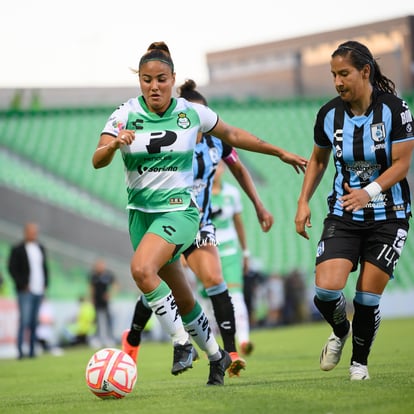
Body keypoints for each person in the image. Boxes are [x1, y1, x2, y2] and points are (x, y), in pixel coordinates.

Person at [93, 42, 307, 385]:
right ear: (140, 82)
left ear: (172, 79)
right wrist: (115, 144)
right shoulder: (124, 113)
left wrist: (278, 152)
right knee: (181, 292)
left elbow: (234, 135)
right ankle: (217, 355)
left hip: (180, 212)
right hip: (140, 215)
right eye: (147, 79)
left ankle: (181, 344)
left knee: (142, 270)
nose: (154, 86)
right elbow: (97, 158)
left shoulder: (192, 113)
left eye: (161, 79)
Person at [294, 40, 414, 380]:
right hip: (345, 215)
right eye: (333, 75)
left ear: (365, 71)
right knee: (326, 290)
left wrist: (369, 191)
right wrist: (303, 201)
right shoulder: (329, 113)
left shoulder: (395, 109)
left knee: (366, 298)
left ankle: (359, 364)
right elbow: (317, 160)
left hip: (389, 218)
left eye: (344, 73)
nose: (338, 82)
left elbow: (402, 163)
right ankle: (340, 331)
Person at [210, 160, 255, 355]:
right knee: (208, 301)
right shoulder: (197, 192)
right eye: (213, 165)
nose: (216, 170)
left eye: (220, 166)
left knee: (235, 295)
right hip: (205, 249)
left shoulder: (232, 193)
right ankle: (210, 343)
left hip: (229, 250)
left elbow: (239, 223)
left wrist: (245, 252)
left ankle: (244, 340)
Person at [8, 222, 49, 359]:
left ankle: (32, 350)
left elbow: (44, 268)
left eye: (35, 231)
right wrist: (22, 284)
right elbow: (12, 268)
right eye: (31, 231)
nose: (34, 234)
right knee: (24, 321)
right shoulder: (18, 249)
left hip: (38, 290)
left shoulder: (40, 248)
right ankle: (20, 351)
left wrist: (45, 284)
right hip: (25, 291)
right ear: (26, 232)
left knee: (34, 322)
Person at [89, 258, 117, 347]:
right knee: (97, 320)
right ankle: (97, 339)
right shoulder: (94, 276)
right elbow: (91, 287)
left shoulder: (108, 275)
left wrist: (110, 294)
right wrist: (91, 298)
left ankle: (110, 338)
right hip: (96, 301)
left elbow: (115, 285)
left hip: (105, 302)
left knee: (108, 319)